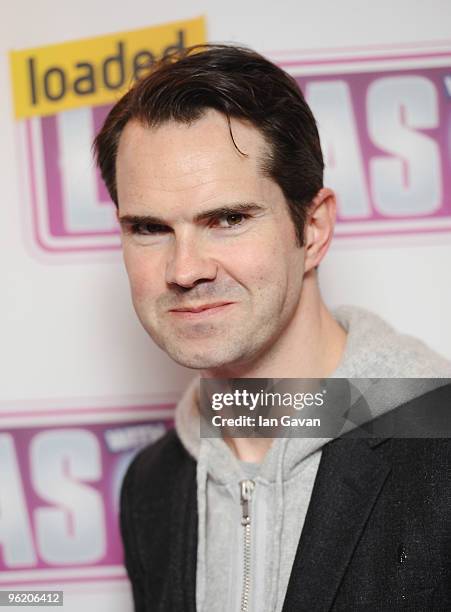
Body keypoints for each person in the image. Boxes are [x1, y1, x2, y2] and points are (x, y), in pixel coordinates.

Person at [94, 45, 451, 611]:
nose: (184, 270)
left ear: (312, 229)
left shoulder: (440, 445)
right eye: (149, 228)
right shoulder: (152, 486)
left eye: (228, 219)